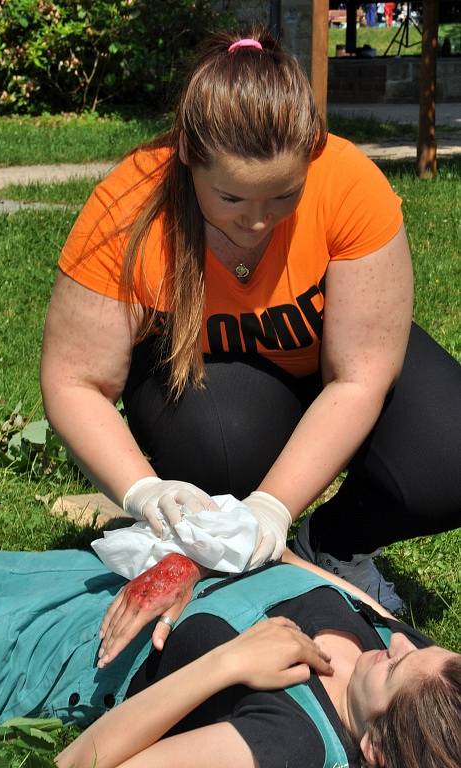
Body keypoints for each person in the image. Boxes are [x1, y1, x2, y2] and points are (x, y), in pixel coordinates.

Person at [41, 27, 461, 616]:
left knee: (450, 454)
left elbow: (361, 376)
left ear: (313, 150)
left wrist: (276, 506)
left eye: (283, 196)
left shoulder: (349, 183)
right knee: (223, 451)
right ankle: (220, 557)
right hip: (213, 389)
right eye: (232, 198)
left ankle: (331, 544)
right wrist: (142, 490)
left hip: (333, 369)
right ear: (188, 154)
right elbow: (74, 380)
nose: (257, 222)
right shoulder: (128, 205)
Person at [0, 546, 459, 768]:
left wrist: (228, 662)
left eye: (394, 667)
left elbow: (79, 765)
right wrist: (194, 563)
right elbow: (287, 557)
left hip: (52, 648)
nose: (399, 644)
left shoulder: (288, 745)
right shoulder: (419, 665)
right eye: (417, 647)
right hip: (99, 577)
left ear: (376, 747)